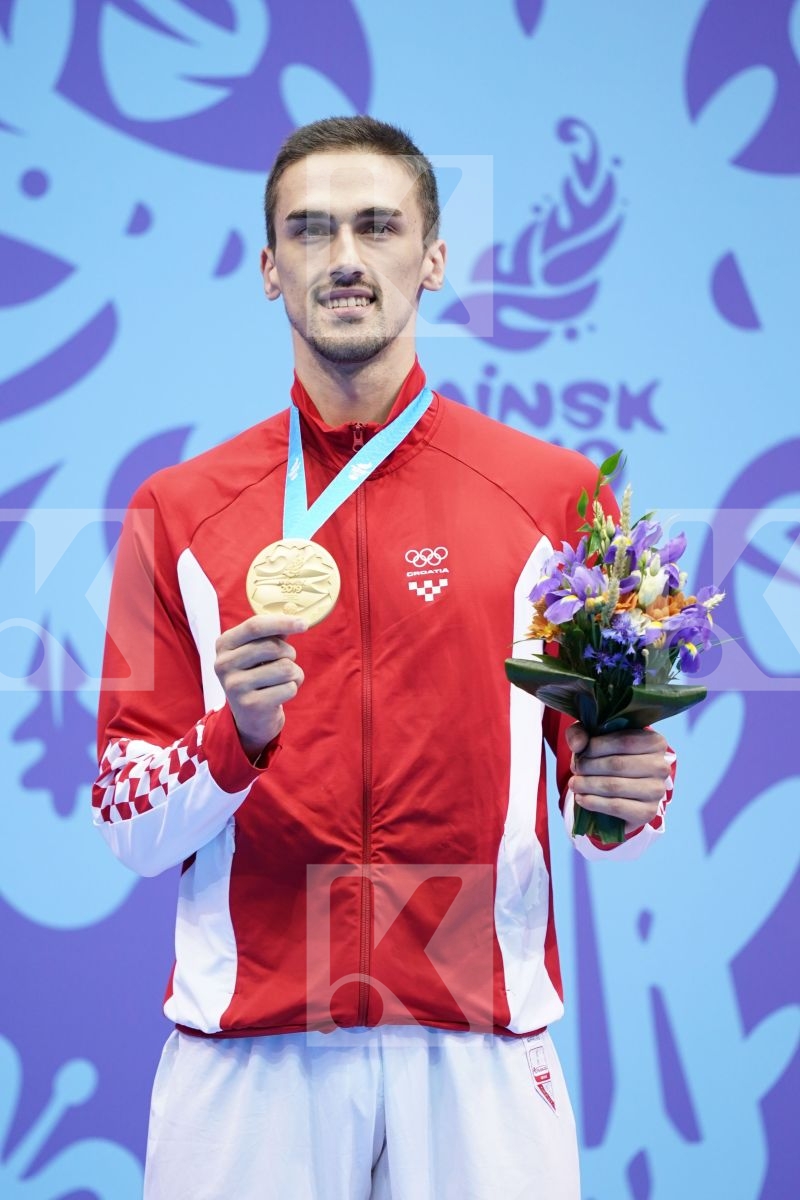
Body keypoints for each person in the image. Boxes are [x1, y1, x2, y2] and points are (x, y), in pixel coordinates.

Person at [94, 116, 674, 1200]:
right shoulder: (172, 513)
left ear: (434, 257)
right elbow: (126, 821)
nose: (345, 257)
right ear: (269, 268)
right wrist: (234, 739)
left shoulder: (555, 499)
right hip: (251, 1048)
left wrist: (632, 796)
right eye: (309, 230)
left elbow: (610, 803)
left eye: (377, 226)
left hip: (477, 1044)